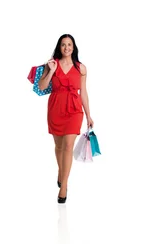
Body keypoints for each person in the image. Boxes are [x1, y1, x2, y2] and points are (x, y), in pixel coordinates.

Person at [36, 34, 94, 204]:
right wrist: (51, 71)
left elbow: (83, 92)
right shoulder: (51, 64)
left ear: (74, 47)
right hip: (56, 108)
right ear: (59, 47)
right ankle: (61, 172)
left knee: (68, 146)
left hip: (74, 110)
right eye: (63, 45)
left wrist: (89, 115)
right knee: (59, 146)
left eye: (69, 44)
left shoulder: (81, 68)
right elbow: (42, 86)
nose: (67, 48)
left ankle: (64, 186)